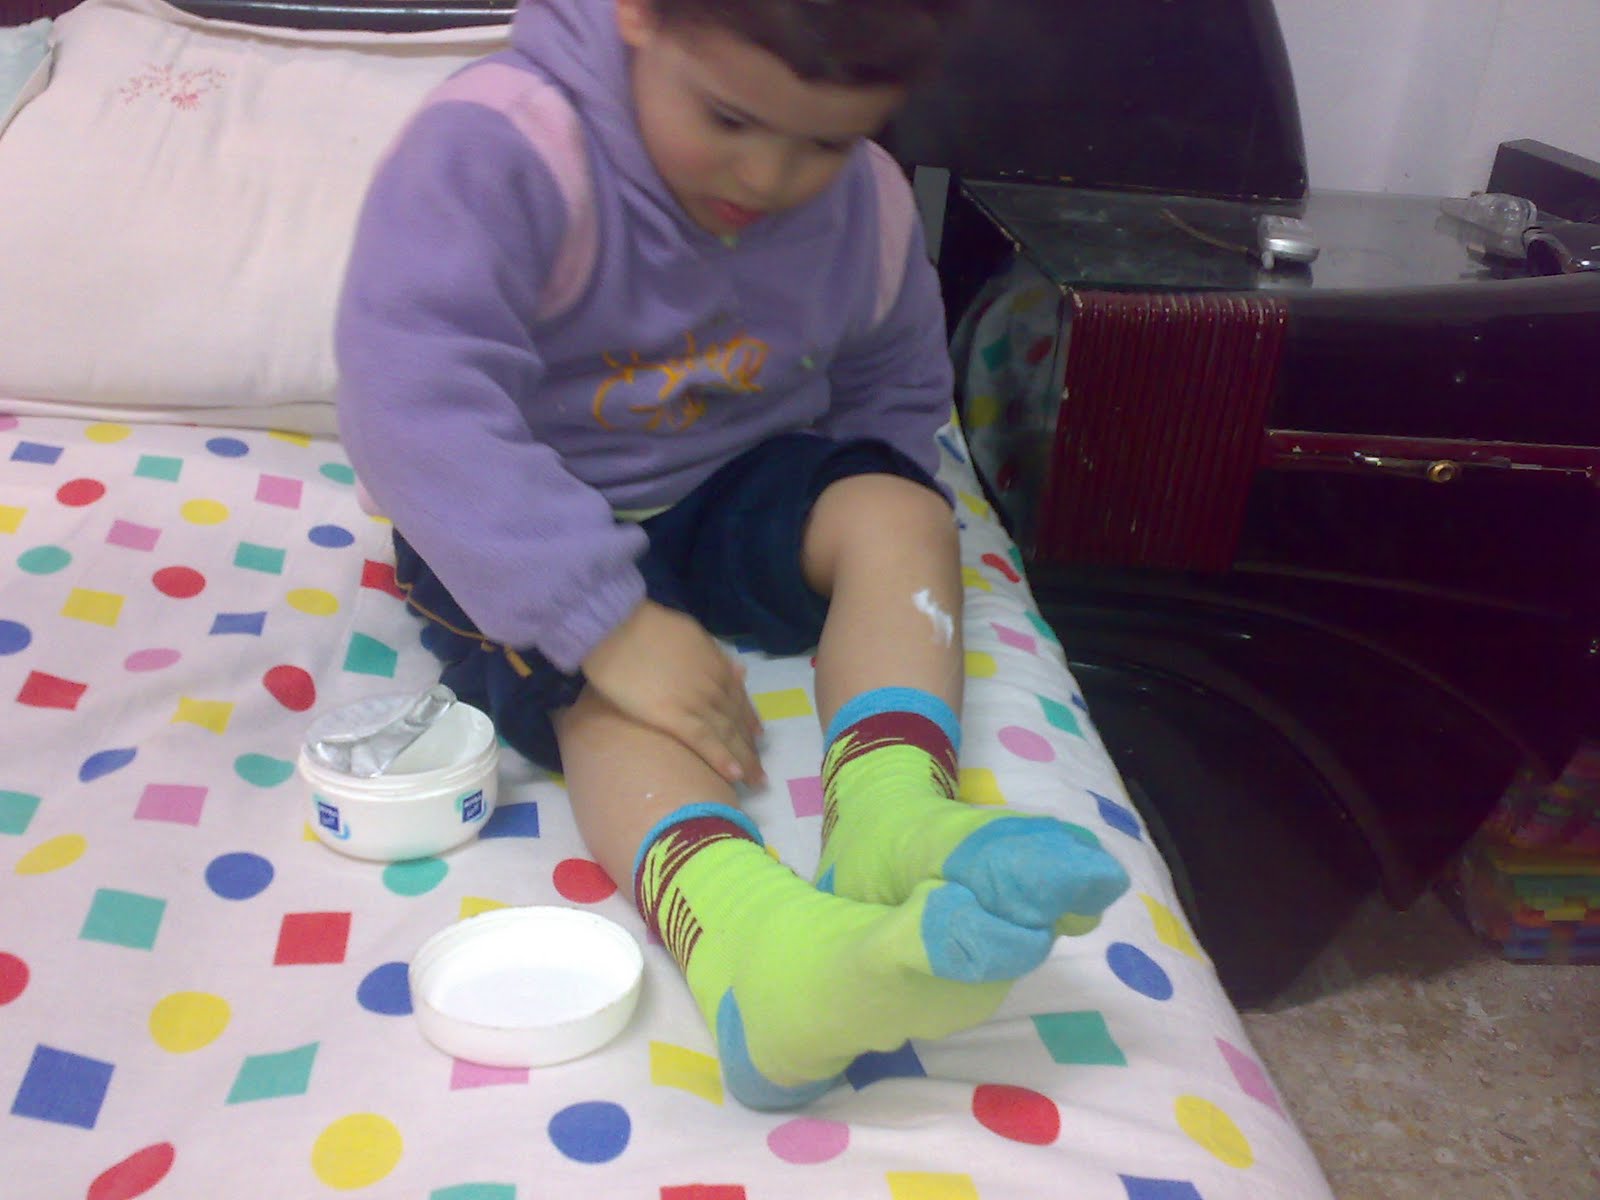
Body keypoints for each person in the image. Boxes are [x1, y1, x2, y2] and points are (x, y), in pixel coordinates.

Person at [336, 0, 1129, 1110]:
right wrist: (607, 624)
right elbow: (410, 400)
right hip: (525, 513)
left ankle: (888, 814)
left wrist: (862, 505)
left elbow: (892, 391)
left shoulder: (867, 202)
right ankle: (754, 953)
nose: (767, 177)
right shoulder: (503, 148)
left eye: (825, 142)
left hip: (732, 485)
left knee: (904, 512)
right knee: (610, 702)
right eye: (729, 119)